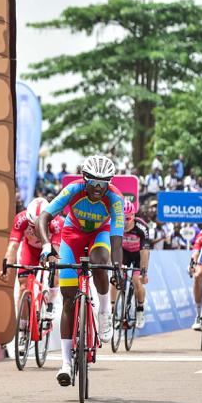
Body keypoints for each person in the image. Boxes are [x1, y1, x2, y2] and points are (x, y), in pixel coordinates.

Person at [38, 154, 124, 386]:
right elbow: (44, 217)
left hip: (100, 234)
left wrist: (117, 267)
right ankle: (66, 363)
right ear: (84, 179)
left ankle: (104, 311)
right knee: (68, 299)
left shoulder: (115, 198)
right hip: (72, 236)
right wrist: (46, 245)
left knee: (100, 261)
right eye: (93, 182)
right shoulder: (73, 190)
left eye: (103, 183)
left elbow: (116, 240)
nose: (98, 188)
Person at [1, 197, 62, 313]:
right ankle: (24, 322)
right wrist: (6, 269)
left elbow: (56, 251)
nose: (36, 230)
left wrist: (53, 267)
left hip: (50, 250)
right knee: (23, 286)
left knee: (54, 275)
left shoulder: (57, 223)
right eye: (32, 226)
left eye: (40, 226)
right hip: (30, 250)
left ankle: (51, 303)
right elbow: (13, 246)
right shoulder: (21, 219)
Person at [117, 208, 150, 330]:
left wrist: (144, 273)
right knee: (116, 279)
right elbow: (113, 246)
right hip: (124, 253)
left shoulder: (141, 227)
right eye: (123, 218)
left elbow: (145, 252)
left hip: (138, 255)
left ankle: (140, 310)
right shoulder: (116, 224)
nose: (125, 222)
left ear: (133, 216)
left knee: (137, 280)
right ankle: (112, 311)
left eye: (128, 218)